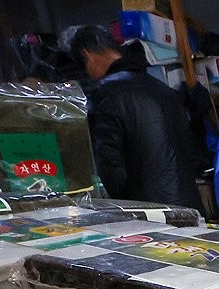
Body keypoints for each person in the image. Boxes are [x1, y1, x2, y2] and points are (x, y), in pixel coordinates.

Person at [66, 26, 203, 210]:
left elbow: (112, 168)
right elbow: (192, 152)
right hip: (191, 208)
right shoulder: (164, 90)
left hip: (149, 214)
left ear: (88, 55)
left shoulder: (107, 95)